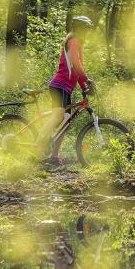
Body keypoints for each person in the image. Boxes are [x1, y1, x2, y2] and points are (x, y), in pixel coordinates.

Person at [36, 16, 95, 165]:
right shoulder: (73, 41)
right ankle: (37, 145)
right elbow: (76, 64)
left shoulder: (78, 44)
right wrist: (87, 80)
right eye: (86, 30)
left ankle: (54, 157)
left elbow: (78, 70)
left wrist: (84, 87)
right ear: (80, 29)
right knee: (58, 116)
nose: (87, 33)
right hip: (60, 85)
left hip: (66, 88)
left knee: (65, 122)